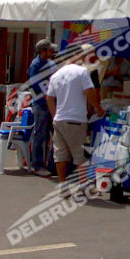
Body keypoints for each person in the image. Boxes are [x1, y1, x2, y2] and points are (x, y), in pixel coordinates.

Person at [46, 44, 104, 197]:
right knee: (79, 155)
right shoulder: (82, 72)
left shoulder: (57, 74)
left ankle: (63, 187)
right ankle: (84, 187)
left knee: (60, 154)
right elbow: (90, 92)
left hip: (59, 119)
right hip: (76, 119)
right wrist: (98, 107)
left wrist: (54, 115)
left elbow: (49, 98)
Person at [27, 38, 58, 177]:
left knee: (55, 135)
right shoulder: (36, 65)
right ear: (42, 51)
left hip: (51, 103)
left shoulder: (51, 63)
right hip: (41, 105)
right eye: (49, 49)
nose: (52, 51)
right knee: (40, 134)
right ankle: (37, 165)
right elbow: (34, 84)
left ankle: (52, 165)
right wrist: (47, 97)